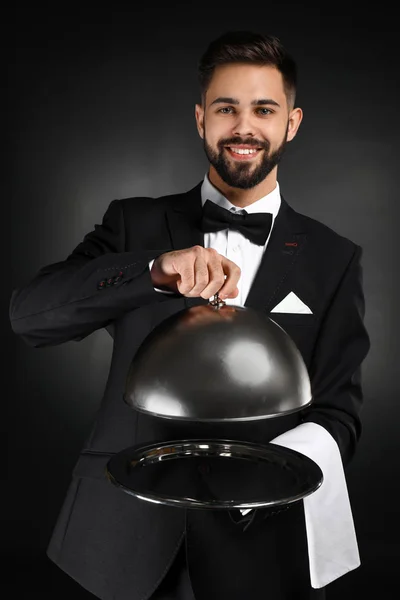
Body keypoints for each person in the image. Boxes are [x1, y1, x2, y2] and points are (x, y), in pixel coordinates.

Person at [9, 30, 371, 600]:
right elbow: (31, 317)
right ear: (201, 118)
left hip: (261, 546)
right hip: (119, 541)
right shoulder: (133, 224)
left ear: (291, 123)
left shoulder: (334, 258)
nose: (243, 126)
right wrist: (151, 270)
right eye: (226, 108)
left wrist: (261, 476)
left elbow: (338, 413)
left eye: (264, 109)